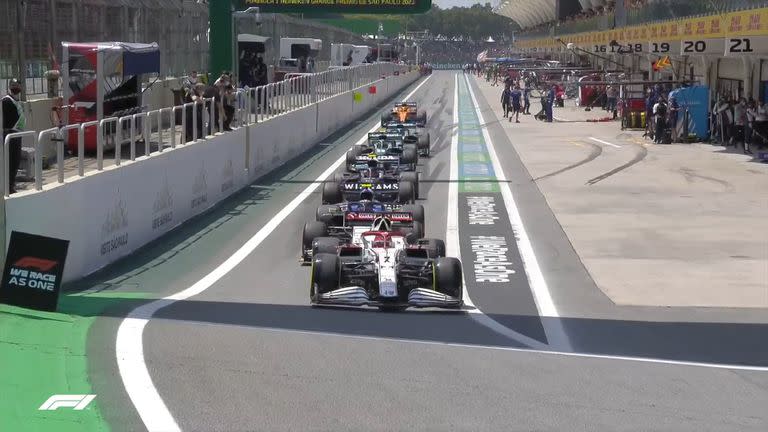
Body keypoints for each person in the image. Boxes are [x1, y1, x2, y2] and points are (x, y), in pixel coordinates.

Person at [2, 79, 25, 193]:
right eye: (14, 85)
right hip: (9, 134)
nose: (16, 88)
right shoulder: (6, 101)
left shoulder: (17, 101)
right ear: (10, 87)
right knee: (10, 161)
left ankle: (11, 184)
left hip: (17, 134)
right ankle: (8, 187)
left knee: (15, 161)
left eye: (18, 86)